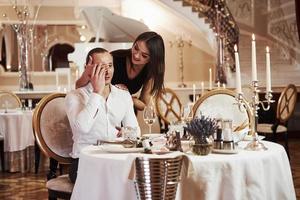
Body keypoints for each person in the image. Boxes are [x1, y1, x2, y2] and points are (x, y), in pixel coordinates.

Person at [65, 48, 140, 183]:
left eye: (110, 66)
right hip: (84, 162)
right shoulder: (75, 96)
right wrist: (97, 93)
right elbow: (82, 128)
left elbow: (135, 131)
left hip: (115, 160)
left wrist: (127, 132)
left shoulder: (123, 95)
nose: (107, 71)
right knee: (111, 181)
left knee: (137, 179)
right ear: (88, 69)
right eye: (100, 67)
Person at [75, 31, 165, 110]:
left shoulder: (150, 71)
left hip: (124, 112)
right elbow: (79, 87)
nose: (136, 55)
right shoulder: (115, 58)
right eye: (136, 48)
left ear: (152, 59)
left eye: (144, 55)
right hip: (101, 109)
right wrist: (87, 73)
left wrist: (126, 96)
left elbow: (144, 105)